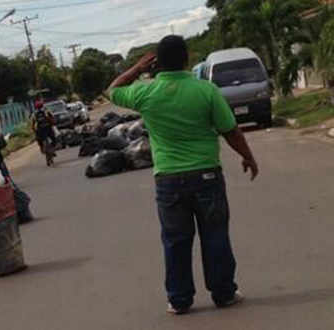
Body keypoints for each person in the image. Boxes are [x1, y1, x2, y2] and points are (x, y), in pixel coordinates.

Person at [108, 35, 259, 315]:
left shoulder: (146, 93)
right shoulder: (206, 90)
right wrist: (247, 156)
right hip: (207, 176)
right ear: (187, 58)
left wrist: (138, 68)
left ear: (157, 63)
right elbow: (230, 130)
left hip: (168, 180)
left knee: (176, 241)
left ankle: (179, 300)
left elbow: (113, 89)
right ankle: (224, 293)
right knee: (215, 235)